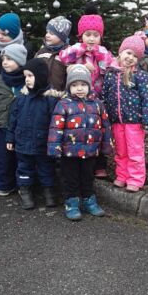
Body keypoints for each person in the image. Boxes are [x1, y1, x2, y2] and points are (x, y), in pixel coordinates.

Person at [48, 65, 112, 221]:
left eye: (83, 84)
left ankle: (89, 200)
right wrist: (54, 148)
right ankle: (72, 203)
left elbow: (105, 126)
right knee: (71, 178)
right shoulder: (63, 104)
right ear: (69, 87)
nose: (79, 88)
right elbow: (56, 127)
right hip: (69, 152)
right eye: (75, 85)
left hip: (90, 150)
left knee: (87, 177)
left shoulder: (97, 104)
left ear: (89, 85)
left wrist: (106, 145)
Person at [59, 8, 114, 178]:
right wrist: (81, 61)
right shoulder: (75, 48)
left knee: (98, 130)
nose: (91, 39)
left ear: (100, 37)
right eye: (88, 34)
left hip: (96, 100)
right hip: (76, 99)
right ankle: (76, 160)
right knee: (79, 130)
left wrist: (97, 54)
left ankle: (100, 164)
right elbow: (63, 58)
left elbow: (108, 66)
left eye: (95, 35)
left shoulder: (102, 51)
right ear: (81, 35)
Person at [101, 33, 148, 192]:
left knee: (135, 151)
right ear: (121, 52)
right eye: (128, 53)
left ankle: (135, 179)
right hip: (117, 121)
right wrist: (105, 118)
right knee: (121, 151)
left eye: (135, 56)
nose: (131, 58)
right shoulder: (111, 74)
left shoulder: (141, 76)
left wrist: (147, 121)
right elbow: (105, 96)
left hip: (135, 122)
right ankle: (122, 176)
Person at [6, 58, 61, 210]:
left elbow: (56, 123)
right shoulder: (21, 98)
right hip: (23, 141)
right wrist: (10, 138)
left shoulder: (50, 99)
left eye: (30, 76)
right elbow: (13, 119)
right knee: (24, 168)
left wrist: (55, 142)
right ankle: (25, 192)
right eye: (25, 76)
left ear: (41, 76)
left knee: (46, 168)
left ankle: (49, 192)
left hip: (43, 143)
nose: (27, 79)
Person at [0, 43, 27, 196]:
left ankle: (23, 185)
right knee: (3, 158)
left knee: (21, 158)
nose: (5, 62)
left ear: (20, 61)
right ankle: (4, 184)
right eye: (3, 59)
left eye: (9, 59)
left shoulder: (27, 80)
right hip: (2, 127)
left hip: (21, 128)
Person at [33, 15, 71, 91]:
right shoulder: (41, 52)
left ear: (62, 36)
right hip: (41, 93)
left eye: (52, 33)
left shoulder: (69, 52)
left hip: (60, 94)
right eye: (47, 32)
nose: (47, 35)